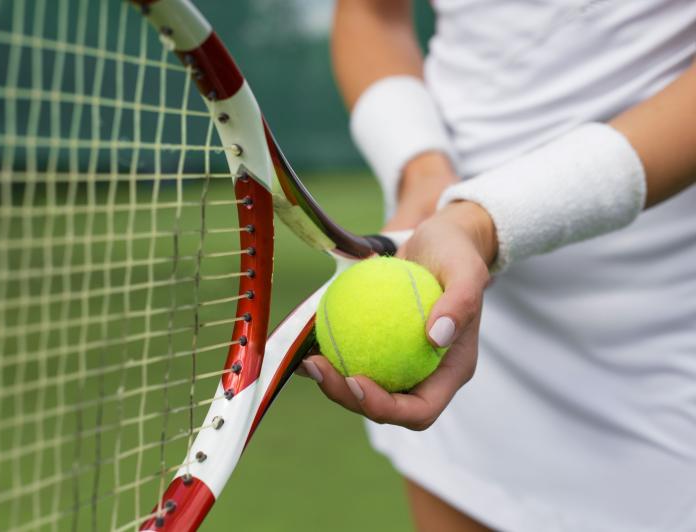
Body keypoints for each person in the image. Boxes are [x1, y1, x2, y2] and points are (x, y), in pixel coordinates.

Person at [297, 1, 696, 530]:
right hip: (455, 311)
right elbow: (373, 14)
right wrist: (420, 167)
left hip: (662, 325)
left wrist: (485, 220)